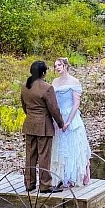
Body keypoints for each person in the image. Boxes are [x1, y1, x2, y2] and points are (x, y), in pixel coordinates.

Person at [19, 60, 65, 192]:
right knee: (44, 156)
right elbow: (54, 109)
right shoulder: (47, 88)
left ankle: (29, 183)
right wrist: (60, 123)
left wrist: (31, 116)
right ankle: (45, 185)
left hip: (29, 124)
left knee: (30, 155)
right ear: (43, 73)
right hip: (43, 126)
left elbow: (24, 106)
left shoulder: (25, 86)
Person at [49, 57, 91, 188]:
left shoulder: (74, 81)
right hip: (58, 114)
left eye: (59, 65)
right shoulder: (55, 81)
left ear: (65, 65)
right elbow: (53, 101)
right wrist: (57, 119)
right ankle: (60, 177)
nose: (57, 68)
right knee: (59, 147)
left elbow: (76, 104)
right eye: (55, 66)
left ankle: (73, 177)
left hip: (71, 116)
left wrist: (68, 122)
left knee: (72, 145)